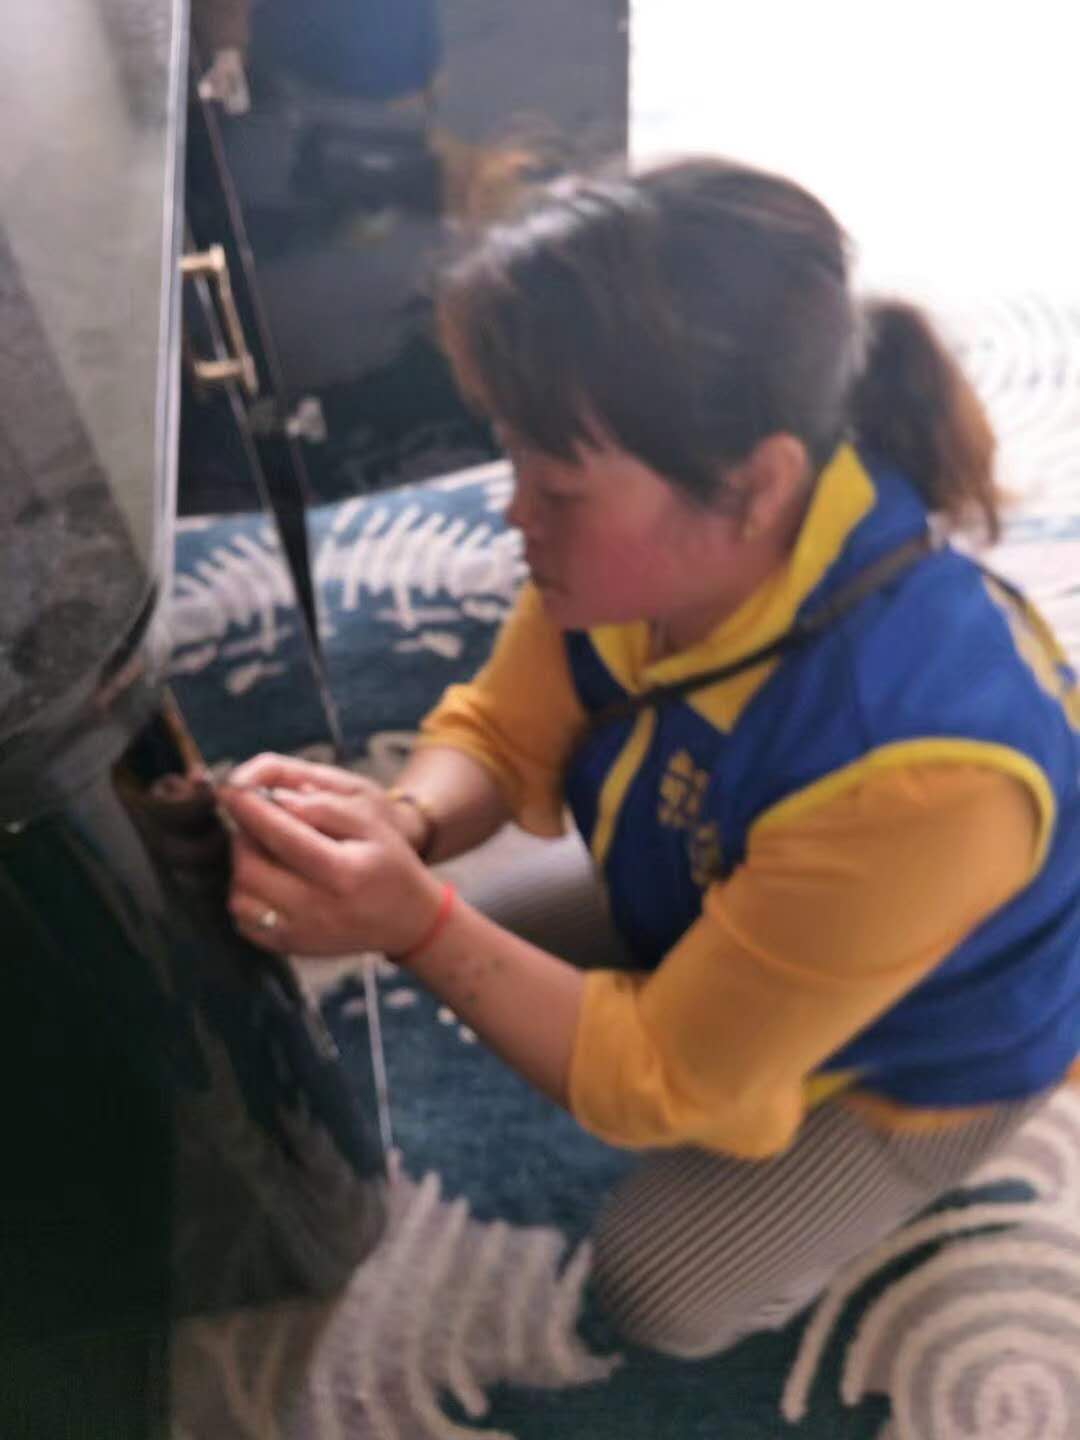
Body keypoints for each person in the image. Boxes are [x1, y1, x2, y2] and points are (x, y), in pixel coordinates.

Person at [218, 157, 1080, 1358]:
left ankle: (937, 1154)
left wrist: (414, 921)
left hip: (930, 1049)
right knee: (477, 928)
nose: (515, 515)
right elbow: (504, 727)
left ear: (753, 487)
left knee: (660, 1293)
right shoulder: (691, 542)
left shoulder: (923, 770)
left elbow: (667, 1079)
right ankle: (687, 958)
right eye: (515, 462)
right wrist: (401, 826)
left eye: (559, 488)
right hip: (728, 866)